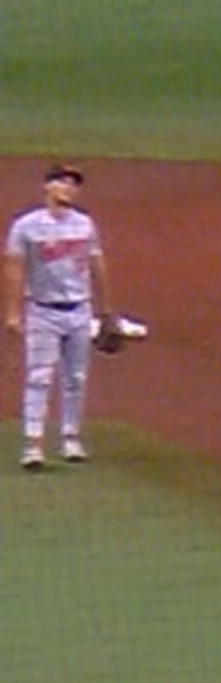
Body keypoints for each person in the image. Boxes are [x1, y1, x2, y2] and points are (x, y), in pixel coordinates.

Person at [6, 164, 115, 471]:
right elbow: (14, 269)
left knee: (75, 378)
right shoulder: (25, 226)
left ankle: (70, 438)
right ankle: (33, 443)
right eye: (62, 182)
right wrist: (13, 313)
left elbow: (97, 265)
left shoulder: (84, 224)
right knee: (38, 377)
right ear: (47, 187)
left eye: (73, 184)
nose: (68, 188)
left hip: (80, 309)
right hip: (41, 310)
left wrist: (106, 310)